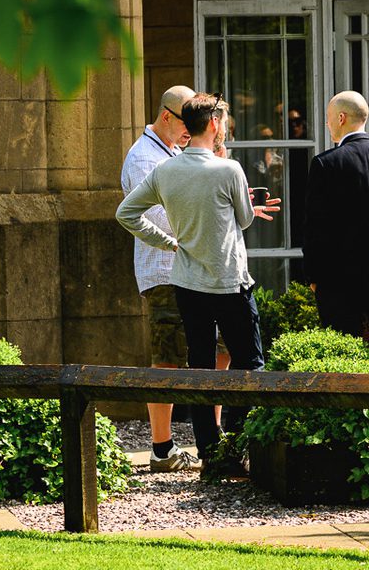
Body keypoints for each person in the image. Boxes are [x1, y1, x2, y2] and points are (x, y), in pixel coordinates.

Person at [115, 94, 277, 478]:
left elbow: (127, 213)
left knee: (199, 366)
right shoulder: (229, 169)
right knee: (250, 364)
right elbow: (243, 220)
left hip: (187, 283)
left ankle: (211, 454)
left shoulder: (166, 171)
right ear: (216, 126)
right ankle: (237, 443)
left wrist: (167, 241)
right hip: (229, 281)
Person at [120, 85, 198, 472]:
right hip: (164, 271)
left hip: (197, 269)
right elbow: (152, 217)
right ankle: (161, 448)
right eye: (188, 122)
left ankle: (211, 441)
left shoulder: (177, 152)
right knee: (167, 357)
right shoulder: (142, 157)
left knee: (215, 350)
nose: (193, 130)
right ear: (167, 116)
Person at [302, 91, 369, 368]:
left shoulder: (325, 163)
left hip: (338, 275)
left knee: (343, 357)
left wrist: (313, 275)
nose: (327, 124)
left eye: (328, 118)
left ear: (342, 118)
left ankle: (352, 412)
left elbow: (316, 227)